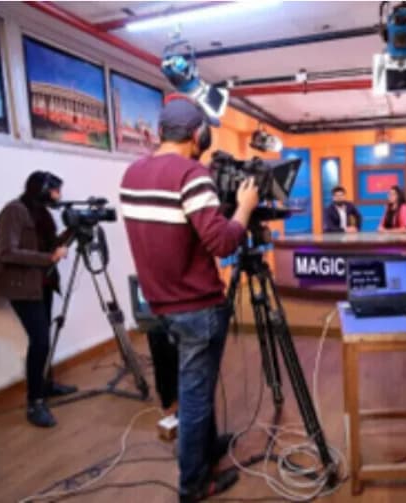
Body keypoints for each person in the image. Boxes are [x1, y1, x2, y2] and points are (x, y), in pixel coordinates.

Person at [120, 96, 259, 502]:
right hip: (196, 305)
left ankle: (208, 448)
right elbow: (221, 242)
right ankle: (194, 484)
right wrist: (244, 209)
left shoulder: (132, 173)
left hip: (160, 304)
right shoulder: (192, 175)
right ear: (199, 135)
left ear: (161, 132)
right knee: (196, 395)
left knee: (199, 385)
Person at [0, 171, 78, 428]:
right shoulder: (14, 211)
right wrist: (49, 258)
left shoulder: (41, 214)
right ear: (43, 189)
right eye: (56, 190)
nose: (58, 196)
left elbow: (51, 245)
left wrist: (74, 228)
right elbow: (7, 252)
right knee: (40, 340)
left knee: (44, 338)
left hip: (42, 284)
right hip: (22, 287)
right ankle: (34, 401)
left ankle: (46, 384)